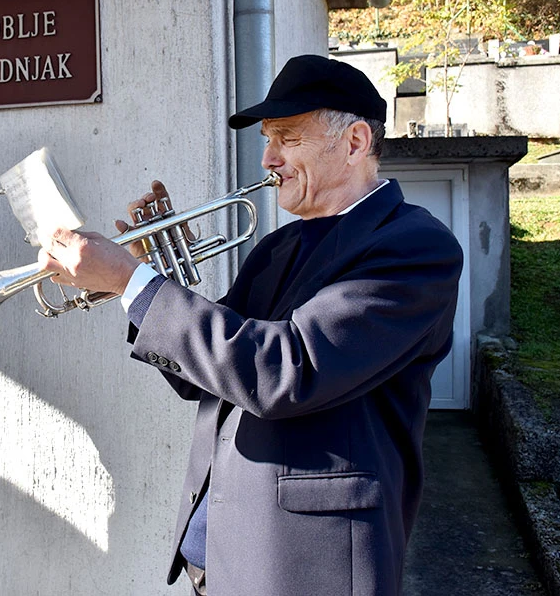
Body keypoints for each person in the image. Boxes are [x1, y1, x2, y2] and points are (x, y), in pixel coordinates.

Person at [38, 54, 463, 595]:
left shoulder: (413, 248)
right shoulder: (278, 247)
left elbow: (284, 371)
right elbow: (203, 378)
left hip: (312, 565)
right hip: (222, 559)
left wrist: (135, 282)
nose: (268, 158)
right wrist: (156, 276)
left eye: (287, 137)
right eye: (267, 138)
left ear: (355, 143)